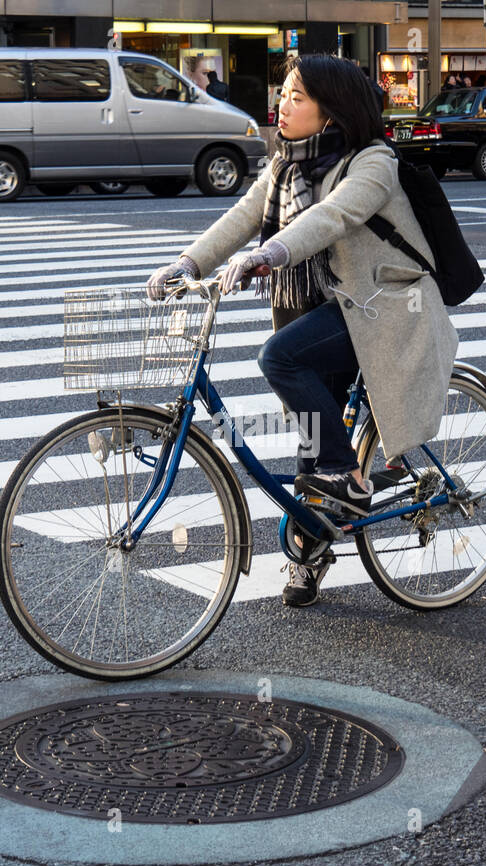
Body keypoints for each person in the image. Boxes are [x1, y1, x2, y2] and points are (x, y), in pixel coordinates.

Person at [146, 55, 458, 608]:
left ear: (331, 113)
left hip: (385, 308)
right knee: (312, 445)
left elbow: (333, 216)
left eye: (296, 97)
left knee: (281, 360)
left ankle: (348, 477)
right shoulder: (286, 164)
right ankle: (314, 549)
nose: (281, 105)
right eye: (283, 94)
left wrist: (272, 253)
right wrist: (188, 264)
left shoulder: (374, 164)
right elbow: (243, 214)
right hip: (331, 306)